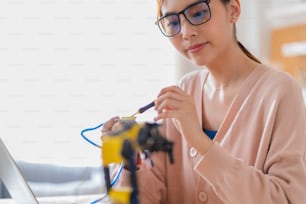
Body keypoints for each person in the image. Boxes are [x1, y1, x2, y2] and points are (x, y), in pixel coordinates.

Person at [102, 0, 306, 203]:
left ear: (233, 11)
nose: (186, 32)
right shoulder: (182, 91)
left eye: (198, 13)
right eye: (173, 22)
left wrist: (199, 141)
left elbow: (286, 199)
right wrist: (128, 162)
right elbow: (148, 196)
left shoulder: (280, 92)